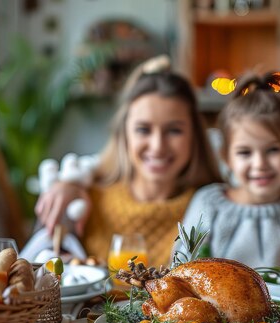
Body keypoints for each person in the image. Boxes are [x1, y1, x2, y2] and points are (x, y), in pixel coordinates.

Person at [34, 57, 222, 267]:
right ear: (124, 134)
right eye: (143, 129)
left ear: (194, 135)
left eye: (174, 130)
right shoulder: (86, 201)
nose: (158, 146)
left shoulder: (214, 208)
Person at [179, 72, 280, 268]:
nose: (260, 164)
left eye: (273, 150)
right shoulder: (208, 205)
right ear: (226, 156)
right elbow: (181, 269)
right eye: (245, 152)